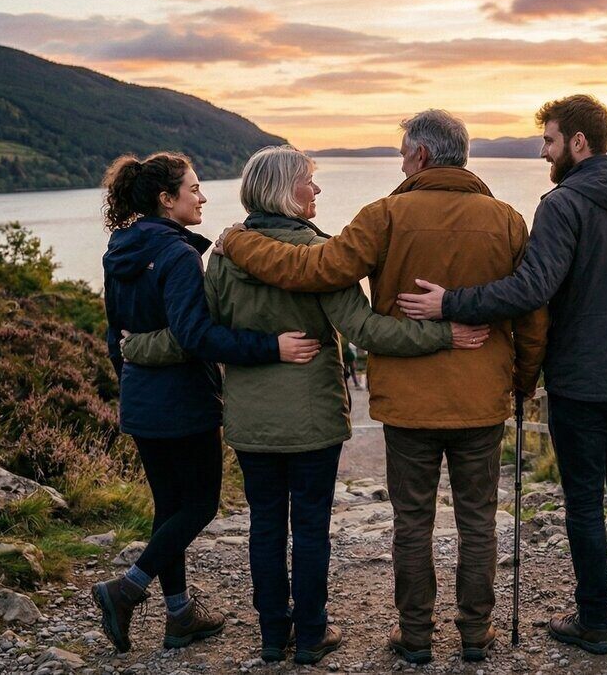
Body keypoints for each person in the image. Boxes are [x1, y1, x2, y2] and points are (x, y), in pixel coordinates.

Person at [121, 145, 492, 664]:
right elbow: (366, 330)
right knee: (311, 528)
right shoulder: (322, 257)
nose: (316, 190)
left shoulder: (225, 258)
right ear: (283, 190)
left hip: (251, 420)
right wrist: (444, 334)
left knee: (266, 525)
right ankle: (312, 635)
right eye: (308, 182)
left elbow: (196, 334)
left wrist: (136, 345)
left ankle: (274, 636)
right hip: (314, 419)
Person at [212, 111, 548, 664]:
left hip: (409, 401)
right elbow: (532, 312)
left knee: (412, 520)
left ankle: (416, 636)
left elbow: (314, 269)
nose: (399, 162)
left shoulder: (385, 216)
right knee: (478, 520)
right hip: (481, 396)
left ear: (419, 156)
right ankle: (474, 633)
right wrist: (521, 380)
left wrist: (236, 241)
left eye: (401, 153)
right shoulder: (507, 220)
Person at [396, 94, 607, 655]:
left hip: (580, 378)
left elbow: (531, 290)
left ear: (579, 142)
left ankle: (593, 622)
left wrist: (450, 303)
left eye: (550, 139)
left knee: (583, 500)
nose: (543, 151)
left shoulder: (563, 204)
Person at [94, 152, 322, 654]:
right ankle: (127, 588)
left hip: (141, 398)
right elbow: (196, 334)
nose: (202, 197)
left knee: (168, 508)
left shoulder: (120, 249)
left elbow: (116, 334)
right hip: (183, 400)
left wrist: (130, 379)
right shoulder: (177, 255)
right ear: (165, 198)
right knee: (198, 505)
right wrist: (271, 347)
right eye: (194, 189)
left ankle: (179, 615)